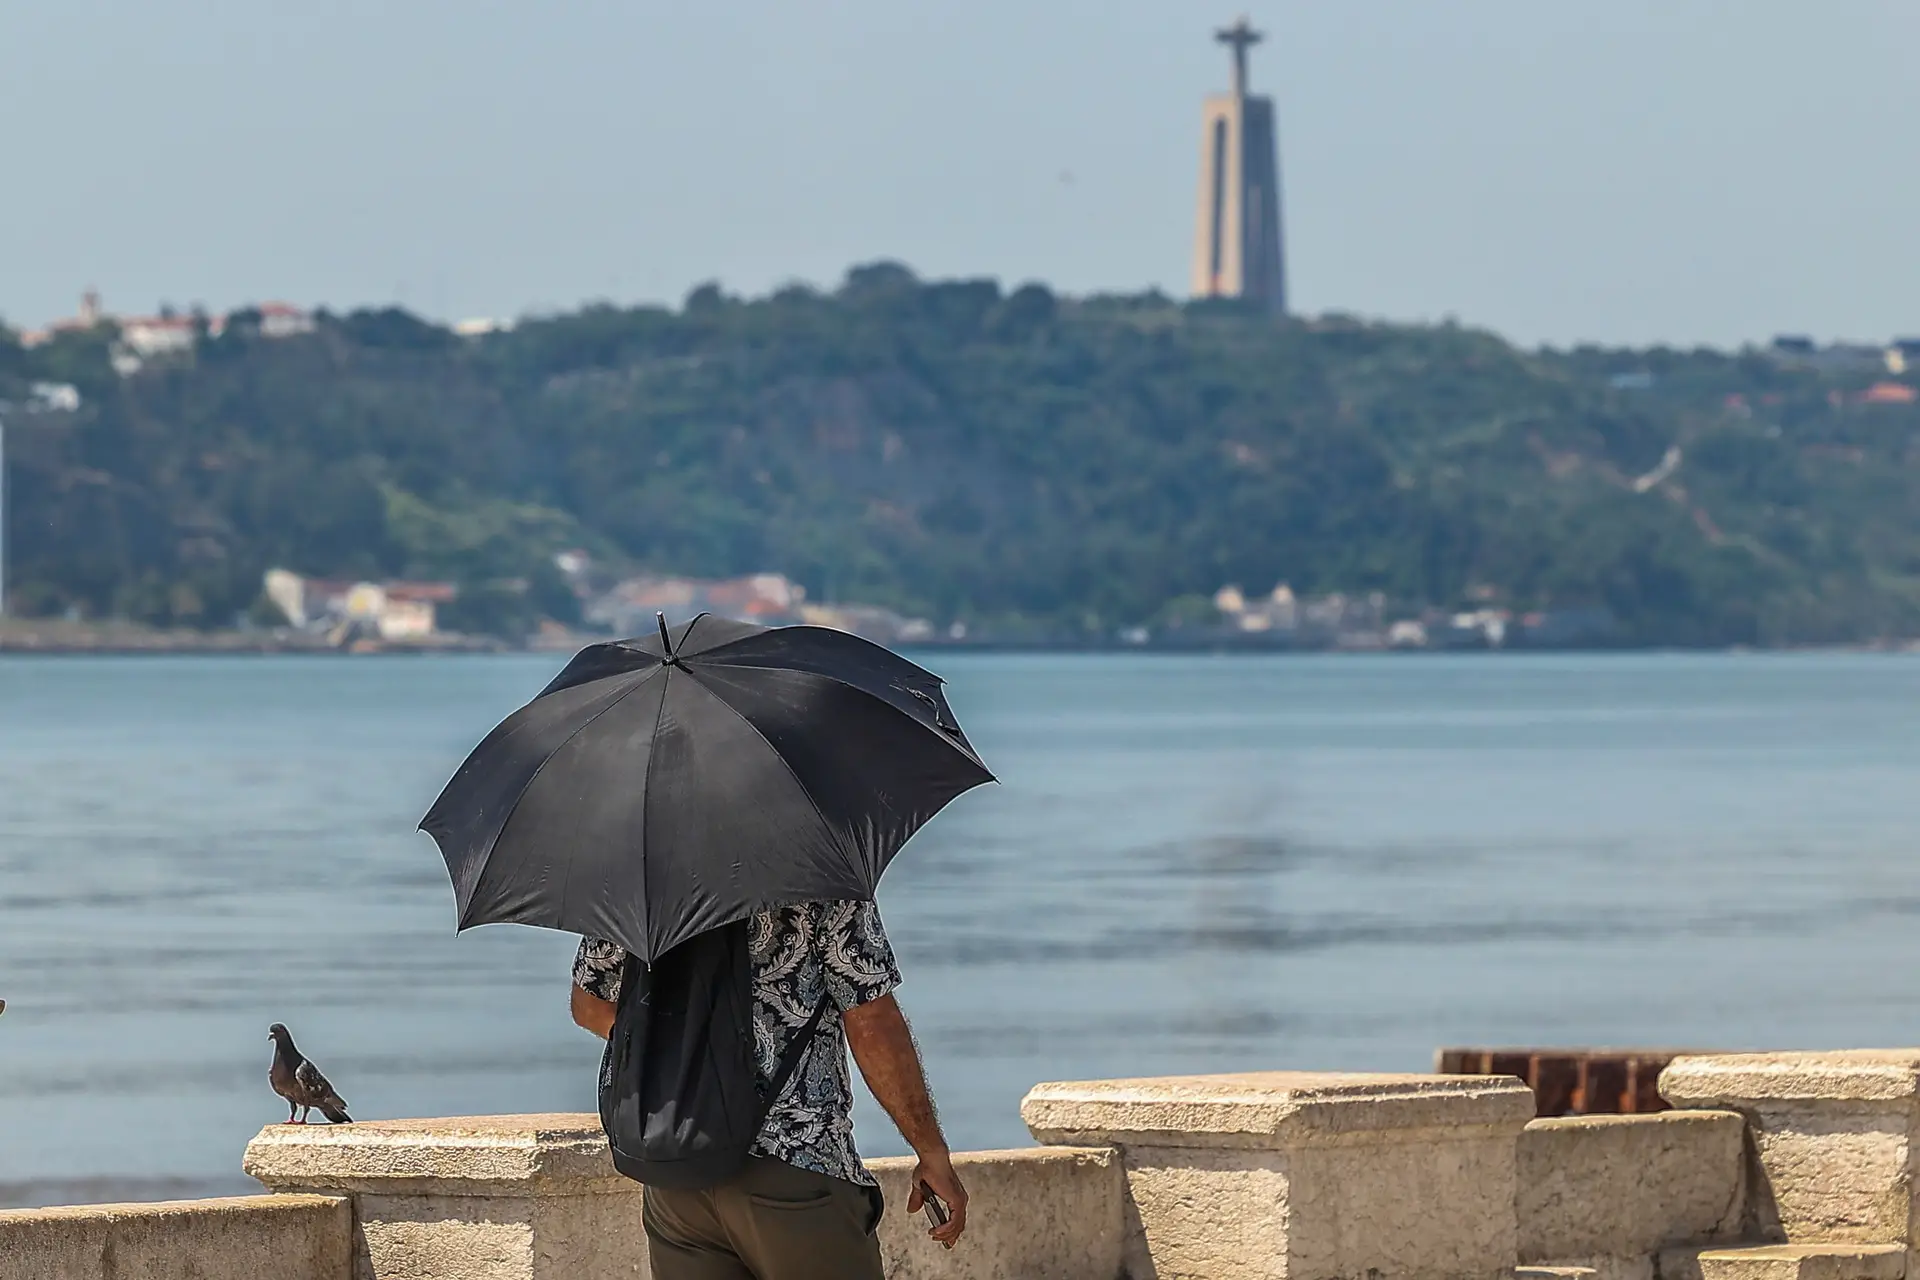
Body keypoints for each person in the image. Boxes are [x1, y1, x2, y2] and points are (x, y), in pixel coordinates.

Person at [571, 900, 967, 1280]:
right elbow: (872, 1021)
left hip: (676, 1171)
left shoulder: (638, 884)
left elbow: (589, 1005)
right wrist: (930, 1150)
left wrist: (687, 1060)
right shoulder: (817, 869)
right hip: (794, 1162)